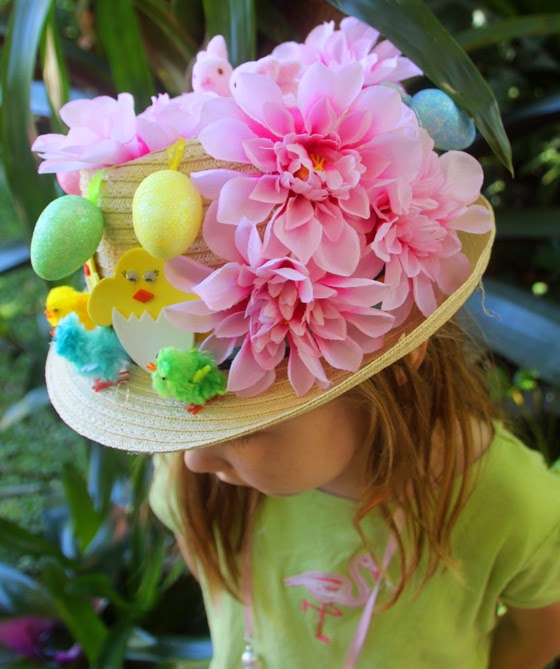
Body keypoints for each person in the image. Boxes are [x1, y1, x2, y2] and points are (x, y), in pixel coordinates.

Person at [30, 15, 560, 669]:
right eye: (188, 423)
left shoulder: (508, 506)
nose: (193, 460)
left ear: (391, 359)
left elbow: (534, 642)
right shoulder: (204, 485)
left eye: (248, 424)